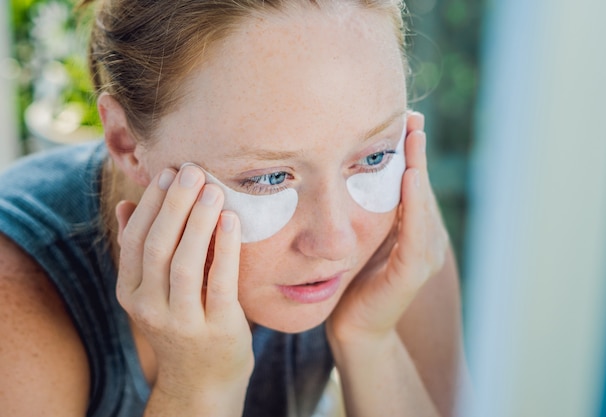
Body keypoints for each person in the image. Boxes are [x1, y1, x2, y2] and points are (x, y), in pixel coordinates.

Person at [0, 0, 466, 416]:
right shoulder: (17, 305)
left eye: (373, 156)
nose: (336, 242)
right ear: (126, 141)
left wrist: (371, 339)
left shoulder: (395, 235)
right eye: (267, 178)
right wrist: (197, 388)